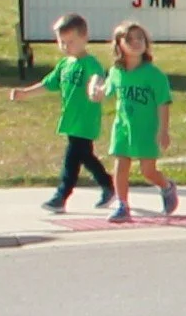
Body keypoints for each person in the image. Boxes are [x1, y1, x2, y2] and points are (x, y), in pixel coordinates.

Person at [10, 11, 113, 211]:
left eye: (70, 42)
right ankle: (108, 185)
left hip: (85, 120)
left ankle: (61, 196)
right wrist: (25, 93)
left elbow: (97, 78)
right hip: (70, 120)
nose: (66, 47)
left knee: (72, 158)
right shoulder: (64, 65)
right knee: (85, 157)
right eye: (62, 42)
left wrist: (95, 87)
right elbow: (48, 84)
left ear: (84, 37)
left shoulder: (90, 63)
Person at [89, 21, 178, 223]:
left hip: (147, 129)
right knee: (120, 166)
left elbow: (163, 103)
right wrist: (95, 87)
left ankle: (166, 186)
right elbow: (103, 92)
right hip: (123, 128)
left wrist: (163, 131)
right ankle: (122, 204)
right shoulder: (116, 72)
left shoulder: (154, 75)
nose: (136, 43)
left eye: (140, 38)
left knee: (148, 171)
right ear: (119, 45)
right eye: (129, 39)